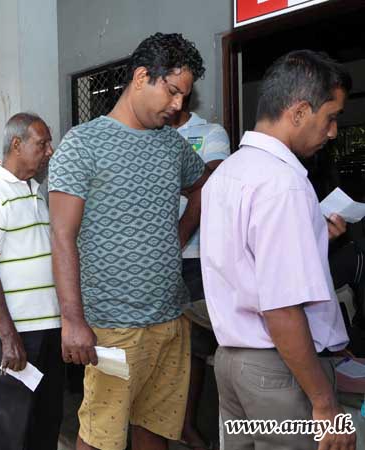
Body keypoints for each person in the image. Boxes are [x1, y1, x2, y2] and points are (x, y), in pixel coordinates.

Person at [49, 32, 211, 450]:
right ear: (141, 77)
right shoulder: (82, 145)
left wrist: (177, 236)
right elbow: (62, 237)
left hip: (170, 318)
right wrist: (73, 320)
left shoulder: (172, 145)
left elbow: (202, 186)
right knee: (101, 435)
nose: (178, 104)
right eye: (172, 91)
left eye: (184, 95)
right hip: (112, 327)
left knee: (156, 428)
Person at [201, 50, 355, 450]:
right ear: (300, 111)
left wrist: (315, 238)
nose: (332, 132)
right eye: (331, 117)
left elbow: (247, 263)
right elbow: (282, 309)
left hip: (232, 364)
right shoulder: (283, 184)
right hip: (279, 370)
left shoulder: (227, 174)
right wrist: (324, 404)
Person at [0, 113, 63, 450]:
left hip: (49, 327)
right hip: (18, 330)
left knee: (45, 421)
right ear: (16, 145)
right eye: (42, 144)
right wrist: (8, 338)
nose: (49, 151)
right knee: (8, 427)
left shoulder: (35, 191)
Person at [167, 94, 231, 450]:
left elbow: (211, 184)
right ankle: (170, 422)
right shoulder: (147, 134)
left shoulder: (209, 133)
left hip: (197, 256)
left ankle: (191, 424)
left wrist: (179, 235)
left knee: (199, 344)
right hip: (155, 260)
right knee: (164, 344)